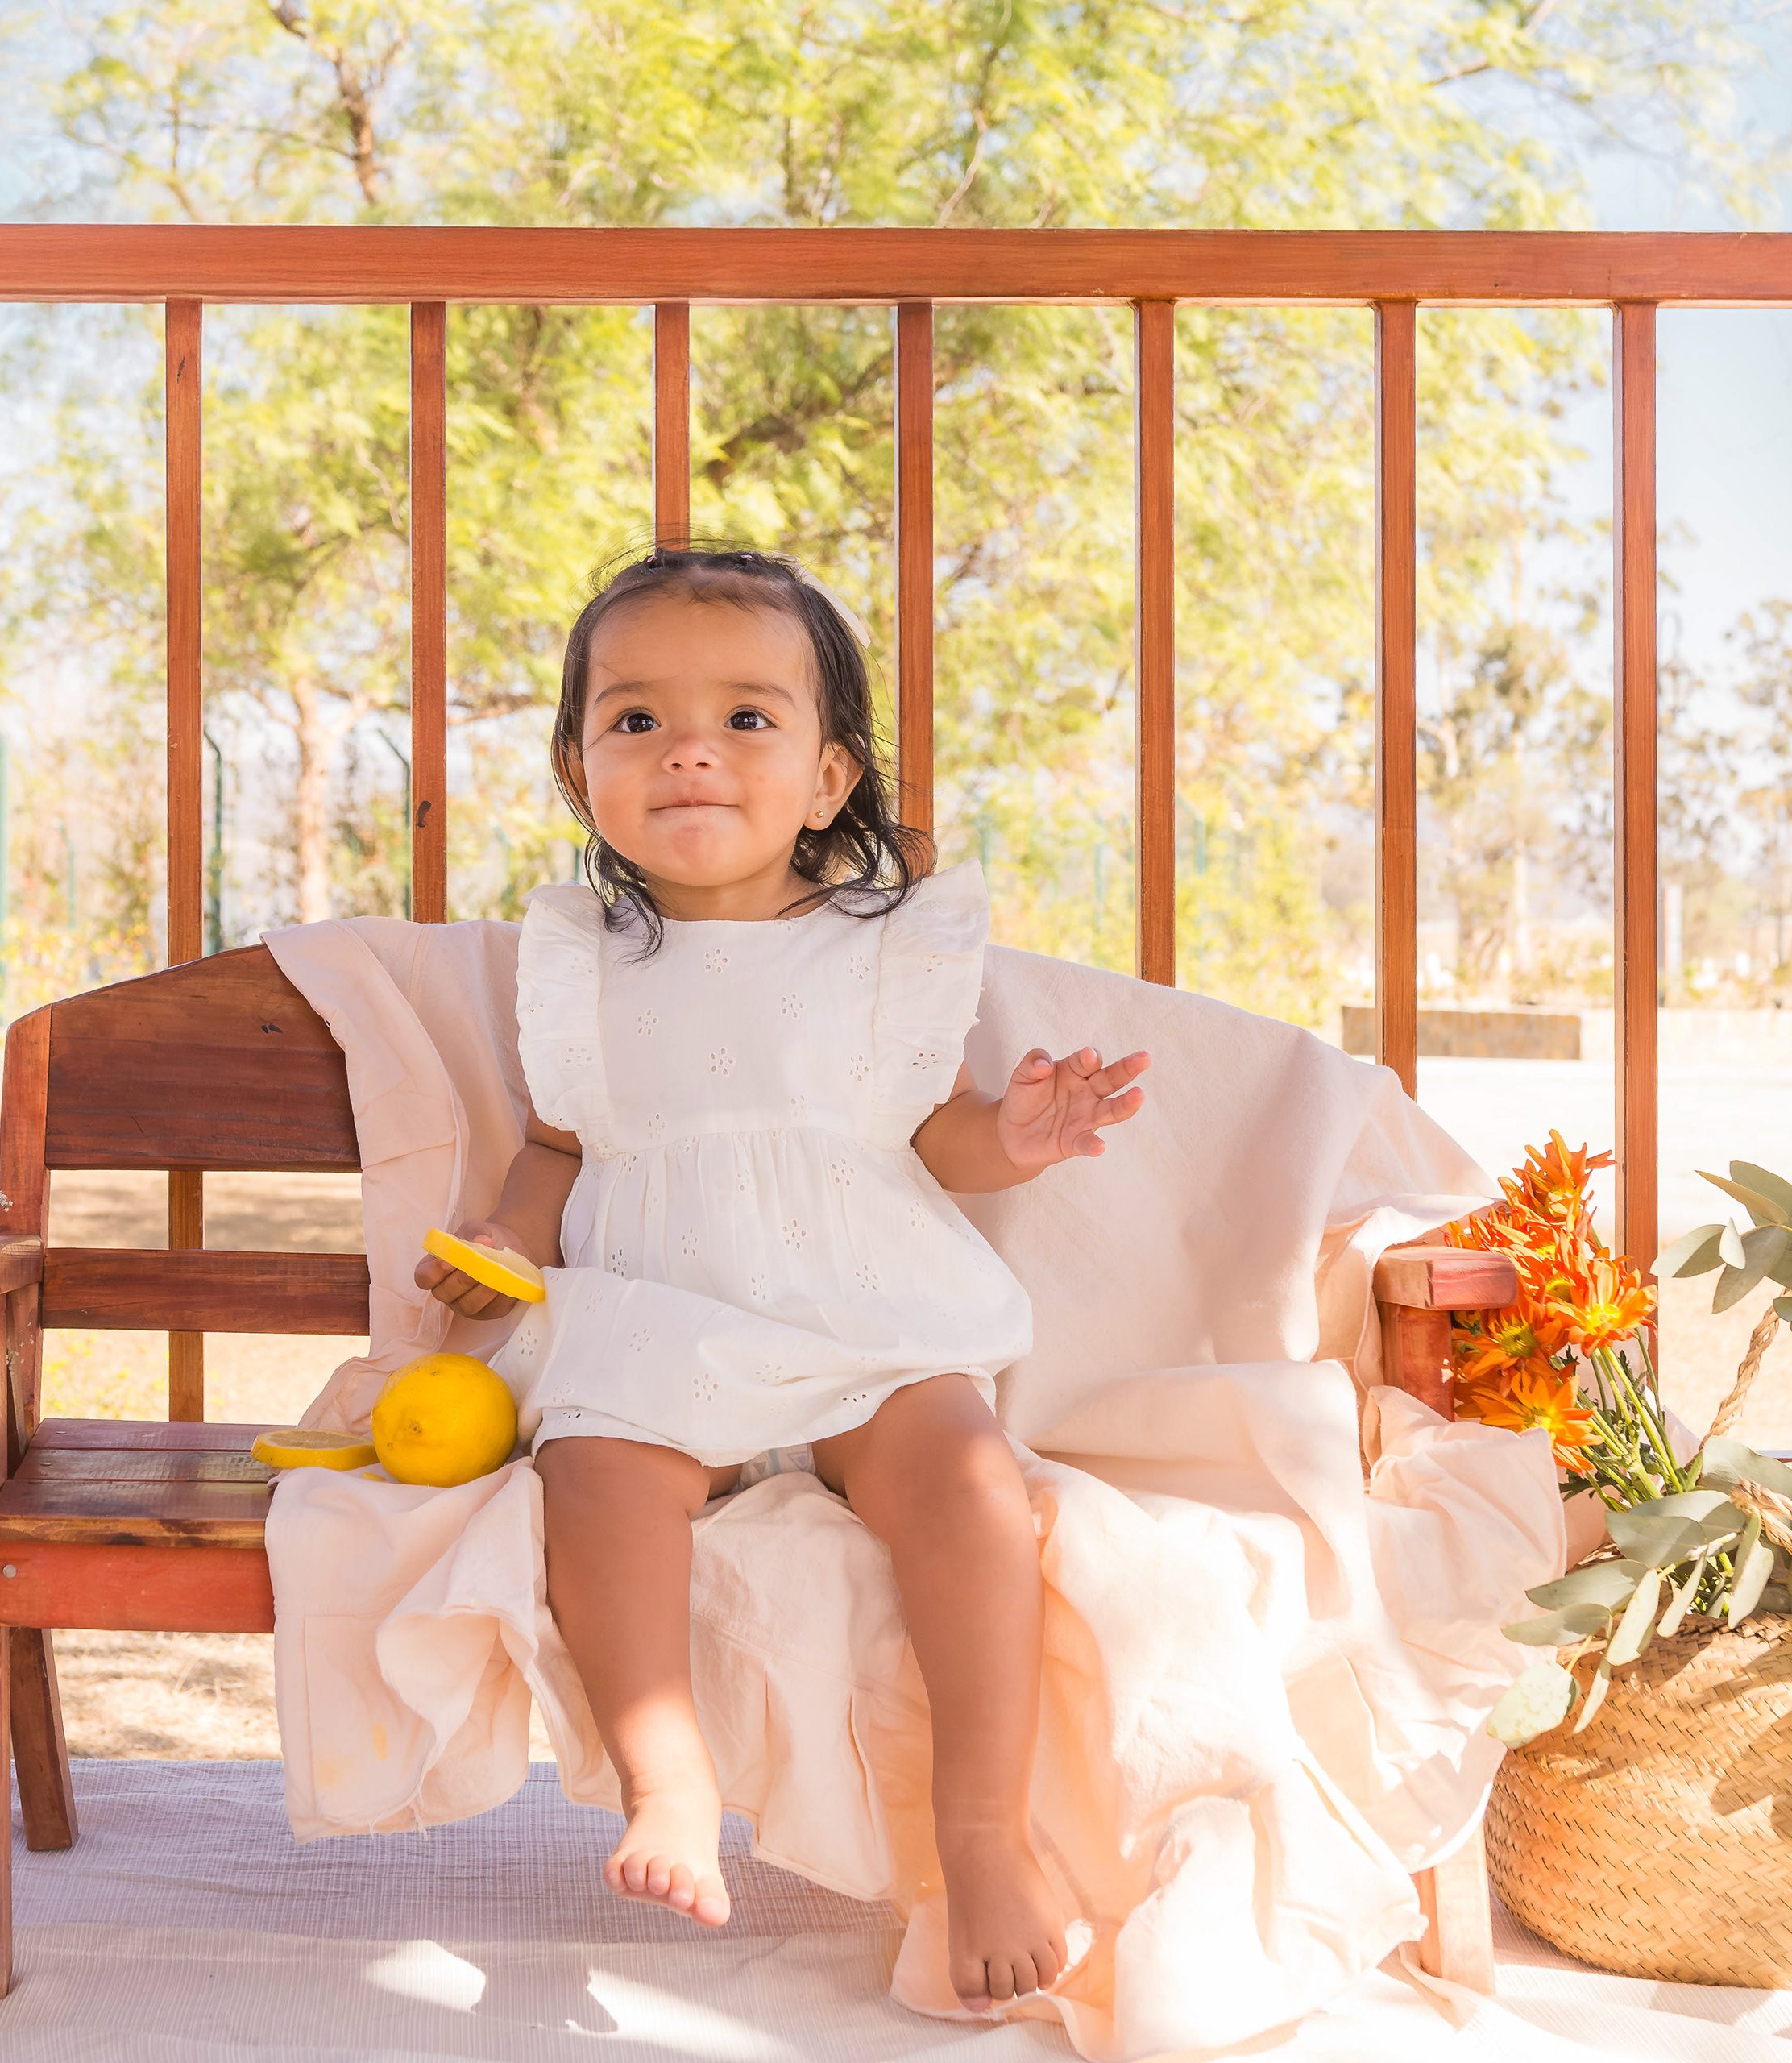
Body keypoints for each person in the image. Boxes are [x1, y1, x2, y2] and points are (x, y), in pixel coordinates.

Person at [414, 543, 1151, 2013]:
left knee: (970, 1486)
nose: (689, 747)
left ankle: (983, 1835)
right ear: (580, 774)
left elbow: (925, 1135)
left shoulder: (880, 951)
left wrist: (1018, 1130)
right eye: (636, 720)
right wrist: (503, 1245)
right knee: (601, 1470)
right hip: (662, 1317)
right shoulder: (579, 963)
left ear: (827, 777)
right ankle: (667, 1779)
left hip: (861, 1307)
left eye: (748, 718)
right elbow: (560, 1149)